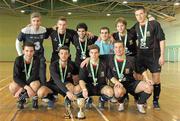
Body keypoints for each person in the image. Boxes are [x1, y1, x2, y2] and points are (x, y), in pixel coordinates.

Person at [132, 6, 165, 109]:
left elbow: (162, 39)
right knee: (138, 78)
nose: (139, 16)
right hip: (141, 57)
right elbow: (126, 34)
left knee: (156, 80)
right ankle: (141, 99)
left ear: (145, 13)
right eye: (137, 15)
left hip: (154, 57)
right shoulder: (136, 26)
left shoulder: (154, 24)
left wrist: (162, 55)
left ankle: (155, 100)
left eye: (141, 14)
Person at [108, 41, 153, 113]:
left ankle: (140, 104)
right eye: (116, 47)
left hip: (131, 84)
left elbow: (141, 69)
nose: (118, 49)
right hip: (119, 85)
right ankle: (121, 103)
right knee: (118, 92)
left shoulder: (131, 59)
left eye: (120, 47)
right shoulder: (109, 59)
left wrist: (147, 79)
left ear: (124, 48)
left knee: (149, 87)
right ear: (113, 49)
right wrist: (88, 59)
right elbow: (95, 56)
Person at [37, 46, 81, 112]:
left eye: (66, 53)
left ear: (69, 55)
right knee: (40, 92)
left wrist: (76, 90)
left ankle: (67, 99)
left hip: (66, 84)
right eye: (62, 53)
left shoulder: (72, 64)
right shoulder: (53, 65)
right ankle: (51, 98)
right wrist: (67, 92)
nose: (64, 55)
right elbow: (57, 80)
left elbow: (76, 77)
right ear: (59, 54)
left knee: (72, 87)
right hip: (54, 84)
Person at [15, 12, 49, 86]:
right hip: (29, 56)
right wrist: (21, 54)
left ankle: (43, 87)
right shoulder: (25, 30)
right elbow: (17, 41)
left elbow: (51, 32)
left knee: (42, 72)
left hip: (39, 56)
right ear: (31, 21)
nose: (36, 23)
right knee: (29, 74)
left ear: (40, 21)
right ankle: (26, 89)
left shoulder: (43, 30)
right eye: (34, 21)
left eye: (38, 21)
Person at [79, 44, 114, 110]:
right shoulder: (84, 64)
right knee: (77, 90)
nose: (94, 55)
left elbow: (110, 76)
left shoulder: (104, 63)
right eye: (92, 53)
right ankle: (88, 99)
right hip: (88, 87)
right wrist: (84, 89)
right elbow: (81, 80)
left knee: (110, 92)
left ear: (99, 53)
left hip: (101, 87)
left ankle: (102, 100)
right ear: (89, 53)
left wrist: (117, 82)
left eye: (96, 53)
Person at [9, 42, 41, 110]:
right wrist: (25, 87)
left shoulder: (37, 59)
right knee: (12, 86)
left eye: (31, 51)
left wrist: (22, 88)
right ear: (23, 51)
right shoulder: (18, 60)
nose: (29, 53)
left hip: (32, 81)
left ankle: (34, 98)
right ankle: (22, 99)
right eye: (27, 51)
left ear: (34, 51)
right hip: (22, 82)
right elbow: (15, 77)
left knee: (35, 84)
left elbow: (35, 75)